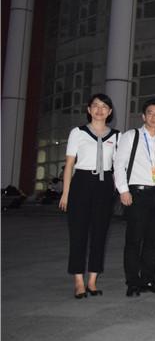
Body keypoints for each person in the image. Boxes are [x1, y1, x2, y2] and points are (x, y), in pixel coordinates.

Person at [58, 93, 119, 299]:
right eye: (95, 106)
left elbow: (118, 166)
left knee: (100, 234)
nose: (99, 110)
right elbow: (69, 164)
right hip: (81, 183)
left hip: (104, 185)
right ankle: (78, 281)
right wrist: (65, 193)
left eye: (104, 107)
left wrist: (118, 189)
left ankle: (92, 280)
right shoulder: (78, 132)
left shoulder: (116, 136)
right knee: (78, 234)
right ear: (89, 109)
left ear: (110, 112)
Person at [114, 98, 155, 297]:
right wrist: (123, 190)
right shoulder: (131, 136)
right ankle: (132, 282)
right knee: (134, 240)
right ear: (143, 116)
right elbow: (119, 164)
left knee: (153, 240)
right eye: (150, 113)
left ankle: (148, 279)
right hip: (136, 194)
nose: (154, 117)